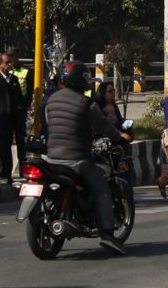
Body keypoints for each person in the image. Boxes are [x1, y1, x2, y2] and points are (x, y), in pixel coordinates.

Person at [44, 61, 132, 254]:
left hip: (51, 158)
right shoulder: (86, 103)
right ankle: (107, 235)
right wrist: (119, 138)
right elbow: (104, 126)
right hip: (76, 159)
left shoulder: (51, 100)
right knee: (101, 190)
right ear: (81, 79)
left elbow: (50, 123)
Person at [0, 52, 24, 181]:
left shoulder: (13, 80)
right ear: (0, 64)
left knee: (7, 146)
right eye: (7, 62)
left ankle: (6, 173)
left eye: (10, 62)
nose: (10, 65)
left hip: (10, 121)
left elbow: (18, 99)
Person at [9, 47, 34, 175]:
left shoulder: (26, 71)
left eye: (13, 56)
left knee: (20, 137)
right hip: (8, 108)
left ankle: (22, 165)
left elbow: (29, 91)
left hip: (20, 108)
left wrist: (28, 106)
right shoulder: (7, 71)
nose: (11, 60)